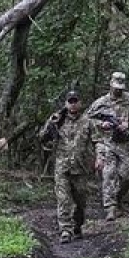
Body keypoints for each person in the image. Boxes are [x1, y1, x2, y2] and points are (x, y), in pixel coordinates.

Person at [38, 90, 96, 243]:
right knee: (63, 199)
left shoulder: (87, 121)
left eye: (75, 101)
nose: (73, 104)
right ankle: (65, 229)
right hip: (62, 167)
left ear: (80, 103)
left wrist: (100, 158)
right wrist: (52, 123)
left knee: (81, 201)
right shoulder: (58, 120)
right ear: (66, 103)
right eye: (70, 101)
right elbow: (42, 138)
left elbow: (97, 140)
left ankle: (77, 226)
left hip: (81, 167)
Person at [87, 71, 129, 221]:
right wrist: (101, 124)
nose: (118, 90)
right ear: (111, 84)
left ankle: (118, 200)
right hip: (107, 142)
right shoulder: (100, 103)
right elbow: (87, 120)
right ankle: (110, 208)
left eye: (121, 88)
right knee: (108, 175)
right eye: (116, 87)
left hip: (124, 143)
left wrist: (128, 124)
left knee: (127, 176)